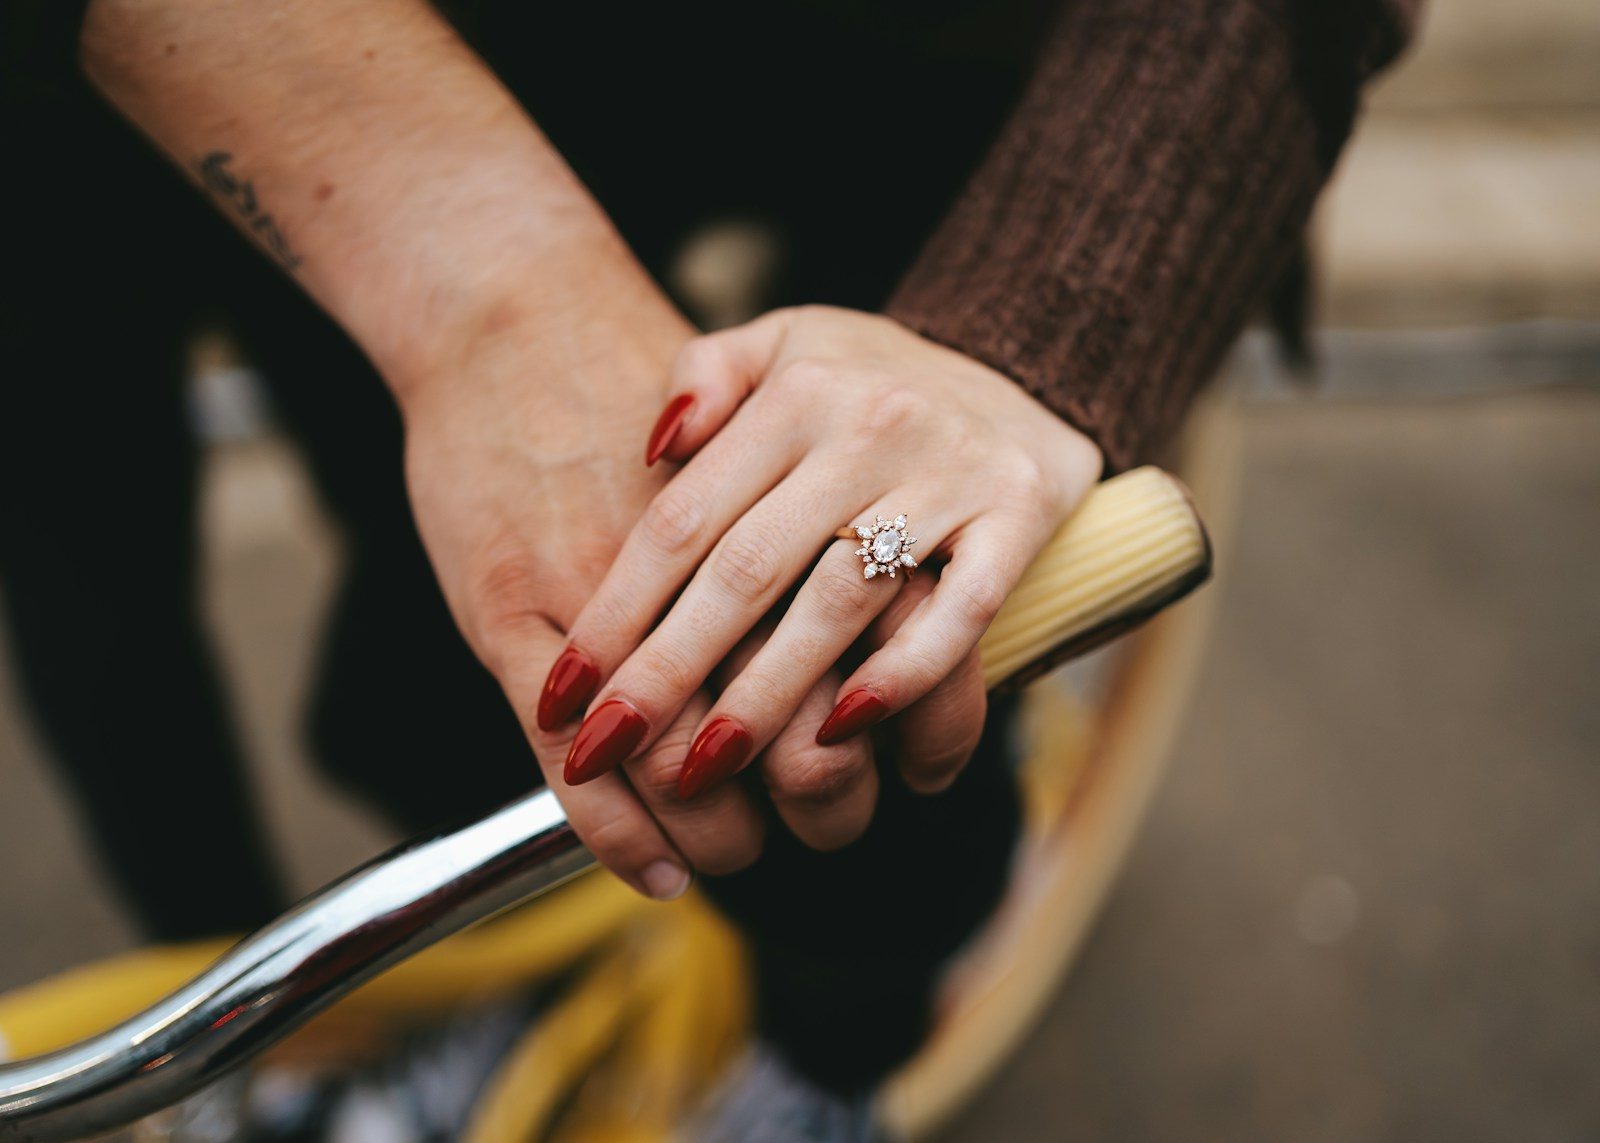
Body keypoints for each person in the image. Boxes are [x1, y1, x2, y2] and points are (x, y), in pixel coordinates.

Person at [0, 0, 1419, 1113]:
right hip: (343, 69)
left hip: (961, 45)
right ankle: (276, 1044)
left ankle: (831, 1062)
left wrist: (1029, 337)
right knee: (439, 633)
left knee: (833, 681)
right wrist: (486, 281)